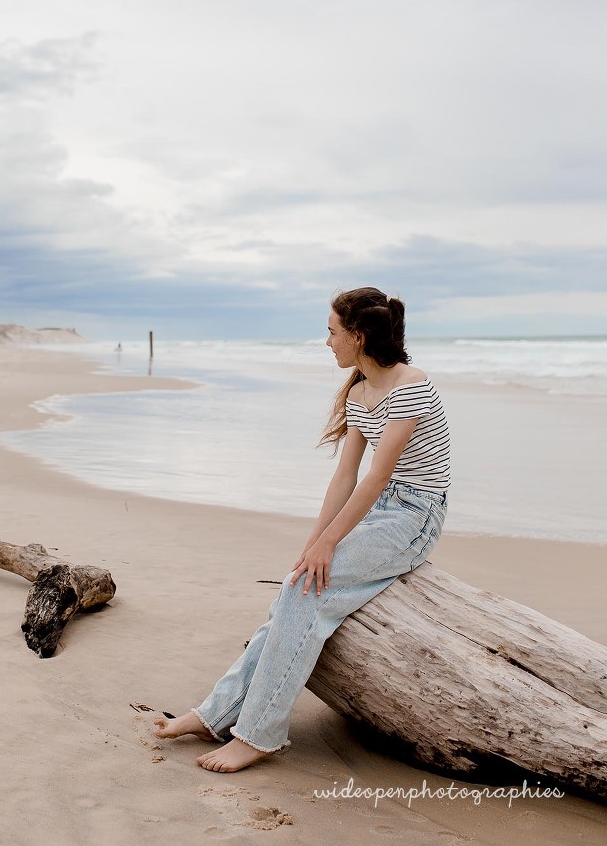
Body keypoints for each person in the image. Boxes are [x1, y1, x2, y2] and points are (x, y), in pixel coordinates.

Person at [153, 286, 450, 773]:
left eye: (332, 332)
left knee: (304, 592)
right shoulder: (359, 391)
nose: (327, 341)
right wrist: (313, 543)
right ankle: (215, 715)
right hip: (375, 510)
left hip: (415, 517)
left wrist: (331, 543)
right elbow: (345, 477)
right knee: (299, 584)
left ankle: (258, 735)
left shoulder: (410, 385)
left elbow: (378, 478)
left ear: (357, 336)